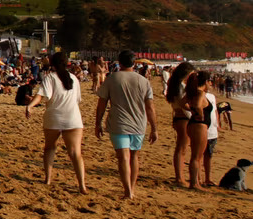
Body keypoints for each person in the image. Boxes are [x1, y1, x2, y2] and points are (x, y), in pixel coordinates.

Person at [93, 50, 156, 200]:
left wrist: (98, 123)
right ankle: (132, 188)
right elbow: (150, 107)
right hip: (139, 124)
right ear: (134, 63)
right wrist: (154, 128)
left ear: (119, 63)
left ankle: (127, 191)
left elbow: (101, 104)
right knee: (134, 156)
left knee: (123, 157)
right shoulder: (143, 81)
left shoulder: (112, 78)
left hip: (119, 123)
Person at [26, 51, 87, 193]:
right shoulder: (73, 78)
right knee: (75, 153)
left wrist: (30, 106)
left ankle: (48, 179)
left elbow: (40, 95)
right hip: (73, 118)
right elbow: (77, 100)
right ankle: (82, 185)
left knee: (50, 148)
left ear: (52, 63)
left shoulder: (50, 78)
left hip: (54, 117)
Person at [182, 71, 214, 188]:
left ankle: (196, 181)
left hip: (193, 124)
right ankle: (194, 183)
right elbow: (197, 105)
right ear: (206, 82)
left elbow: (181, 103)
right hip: (199, 125)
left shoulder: (192, 93)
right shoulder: (200, 93)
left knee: (196, 156)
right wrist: (199, 114)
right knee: (196, 156)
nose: (210, 84)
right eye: (210, 82)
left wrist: (191, 111)